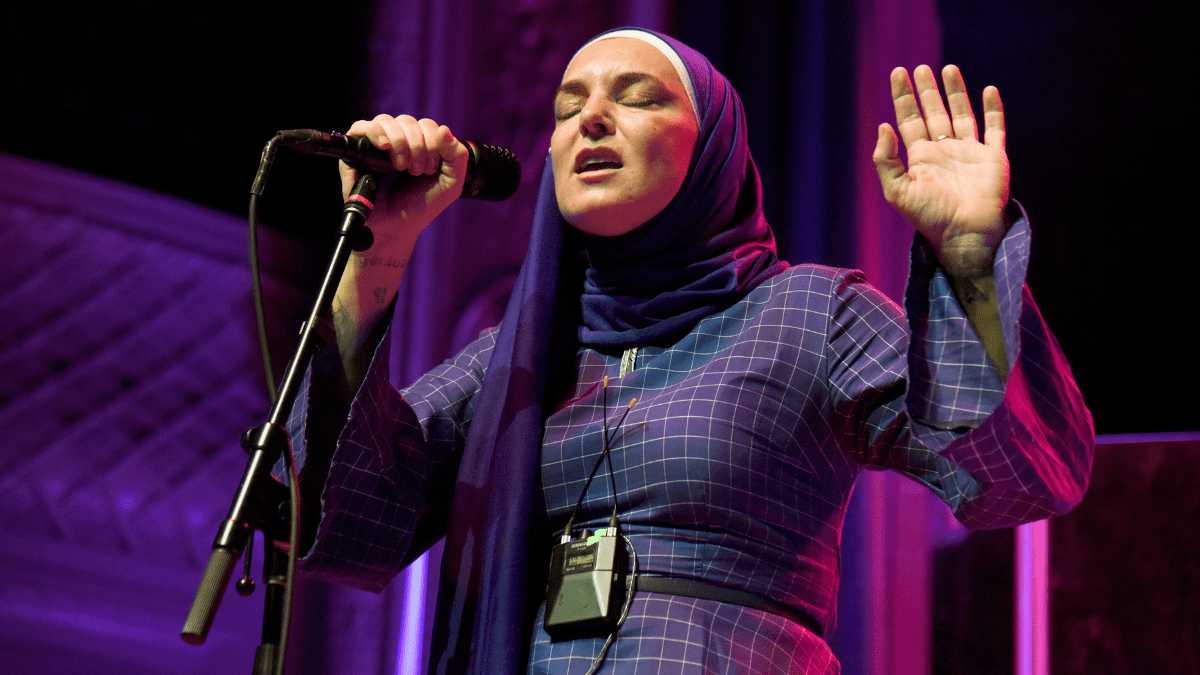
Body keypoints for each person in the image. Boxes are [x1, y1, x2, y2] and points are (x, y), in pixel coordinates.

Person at [285, 28, 1093, 675]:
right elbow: (339, 517)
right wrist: (375, 254)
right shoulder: (516, 357)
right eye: (568, 109)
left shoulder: (809, 311)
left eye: (634, 98)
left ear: (712, 148)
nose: (590, 121)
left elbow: (1014, 475)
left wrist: (965, 258)